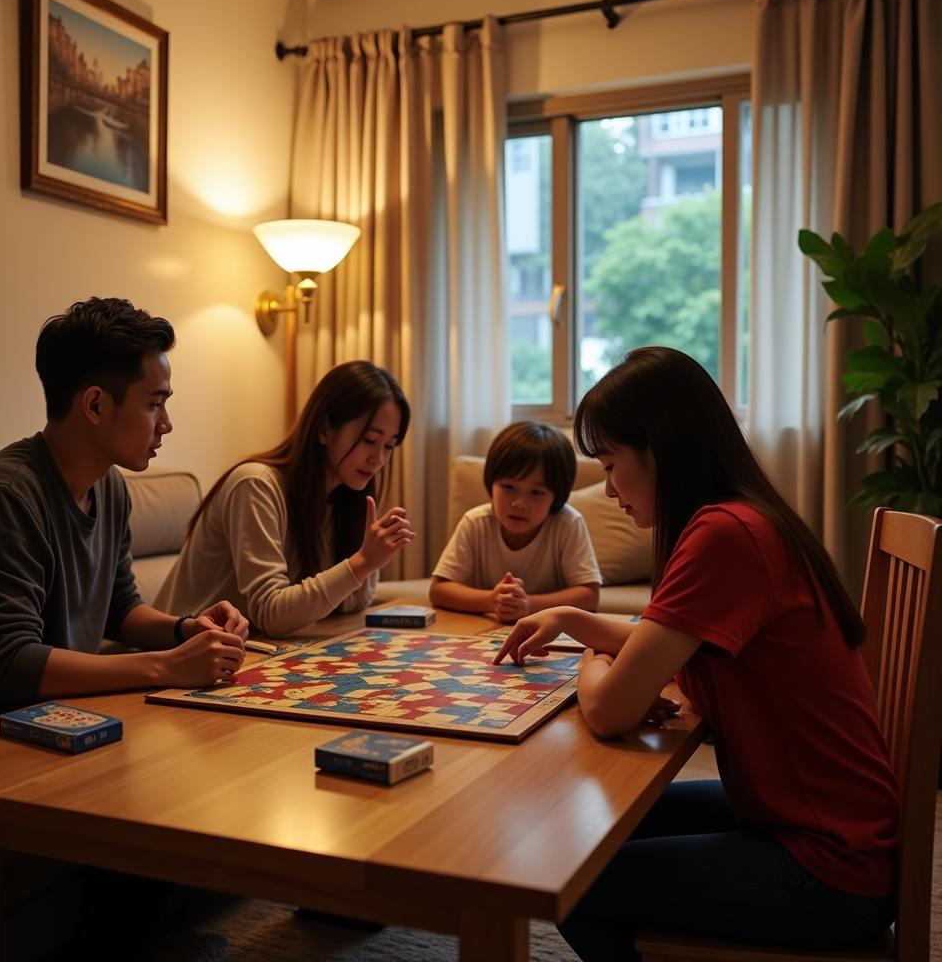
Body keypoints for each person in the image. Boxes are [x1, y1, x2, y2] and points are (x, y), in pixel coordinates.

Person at [494, 347, 899, 961]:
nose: (607, 490)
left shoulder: (724, 535)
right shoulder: (744, 517)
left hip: (827, 867)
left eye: (610, 465)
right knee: (591, 827)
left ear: (659, 448)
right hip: (809, 819)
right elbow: (668, 640)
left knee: (572, 877)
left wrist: (591, 659)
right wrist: (579, 621)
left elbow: (609, 709)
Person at [0, 298, 249, 739]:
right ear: (95, 405)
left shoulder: (109, 487)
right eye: (155, 404)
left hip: (63, 721)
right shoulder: (3, 495)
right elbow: (7, 666)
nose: (166, 424)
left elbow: (119, 609)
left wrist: (186, 629)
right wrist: (165, 666)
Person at [155, 360, 415, 637]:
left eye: (389, 445)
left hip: (258, 652)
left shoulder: (344, 498)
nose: (379, 459)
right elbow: (270, 614)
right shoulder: (255, 484)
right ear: (325, 429)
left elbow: (352, 605)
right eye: (369, 440)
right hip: (177, 655)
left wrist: (369, 560)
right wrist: (363, 561)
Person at [429, 421, 600, 621]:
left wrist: (529, 605)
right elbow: (439, 590)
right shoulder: (475, 522)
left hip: (546, 630)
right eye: (509, 487)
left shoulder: (568, 524)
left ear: (557, 496)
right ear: (491, 483)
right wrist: (491, 601)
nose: (520, 503)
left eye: (536, 492)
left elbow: (590, 596)